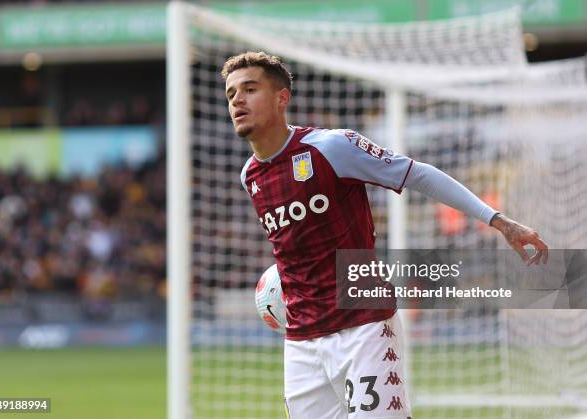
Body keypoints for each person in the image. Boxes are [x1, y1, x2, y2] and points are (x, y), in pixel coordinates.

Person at [221, 51, 548, 419]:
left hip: (363, 326)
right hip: (301, 343)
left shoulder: (331, 147)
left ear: (282, 98)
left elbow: (418, 174)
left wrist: (499, 221)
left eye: (250, 89)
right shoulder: (250, 176)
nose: (238, 100)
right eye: (232, 93)